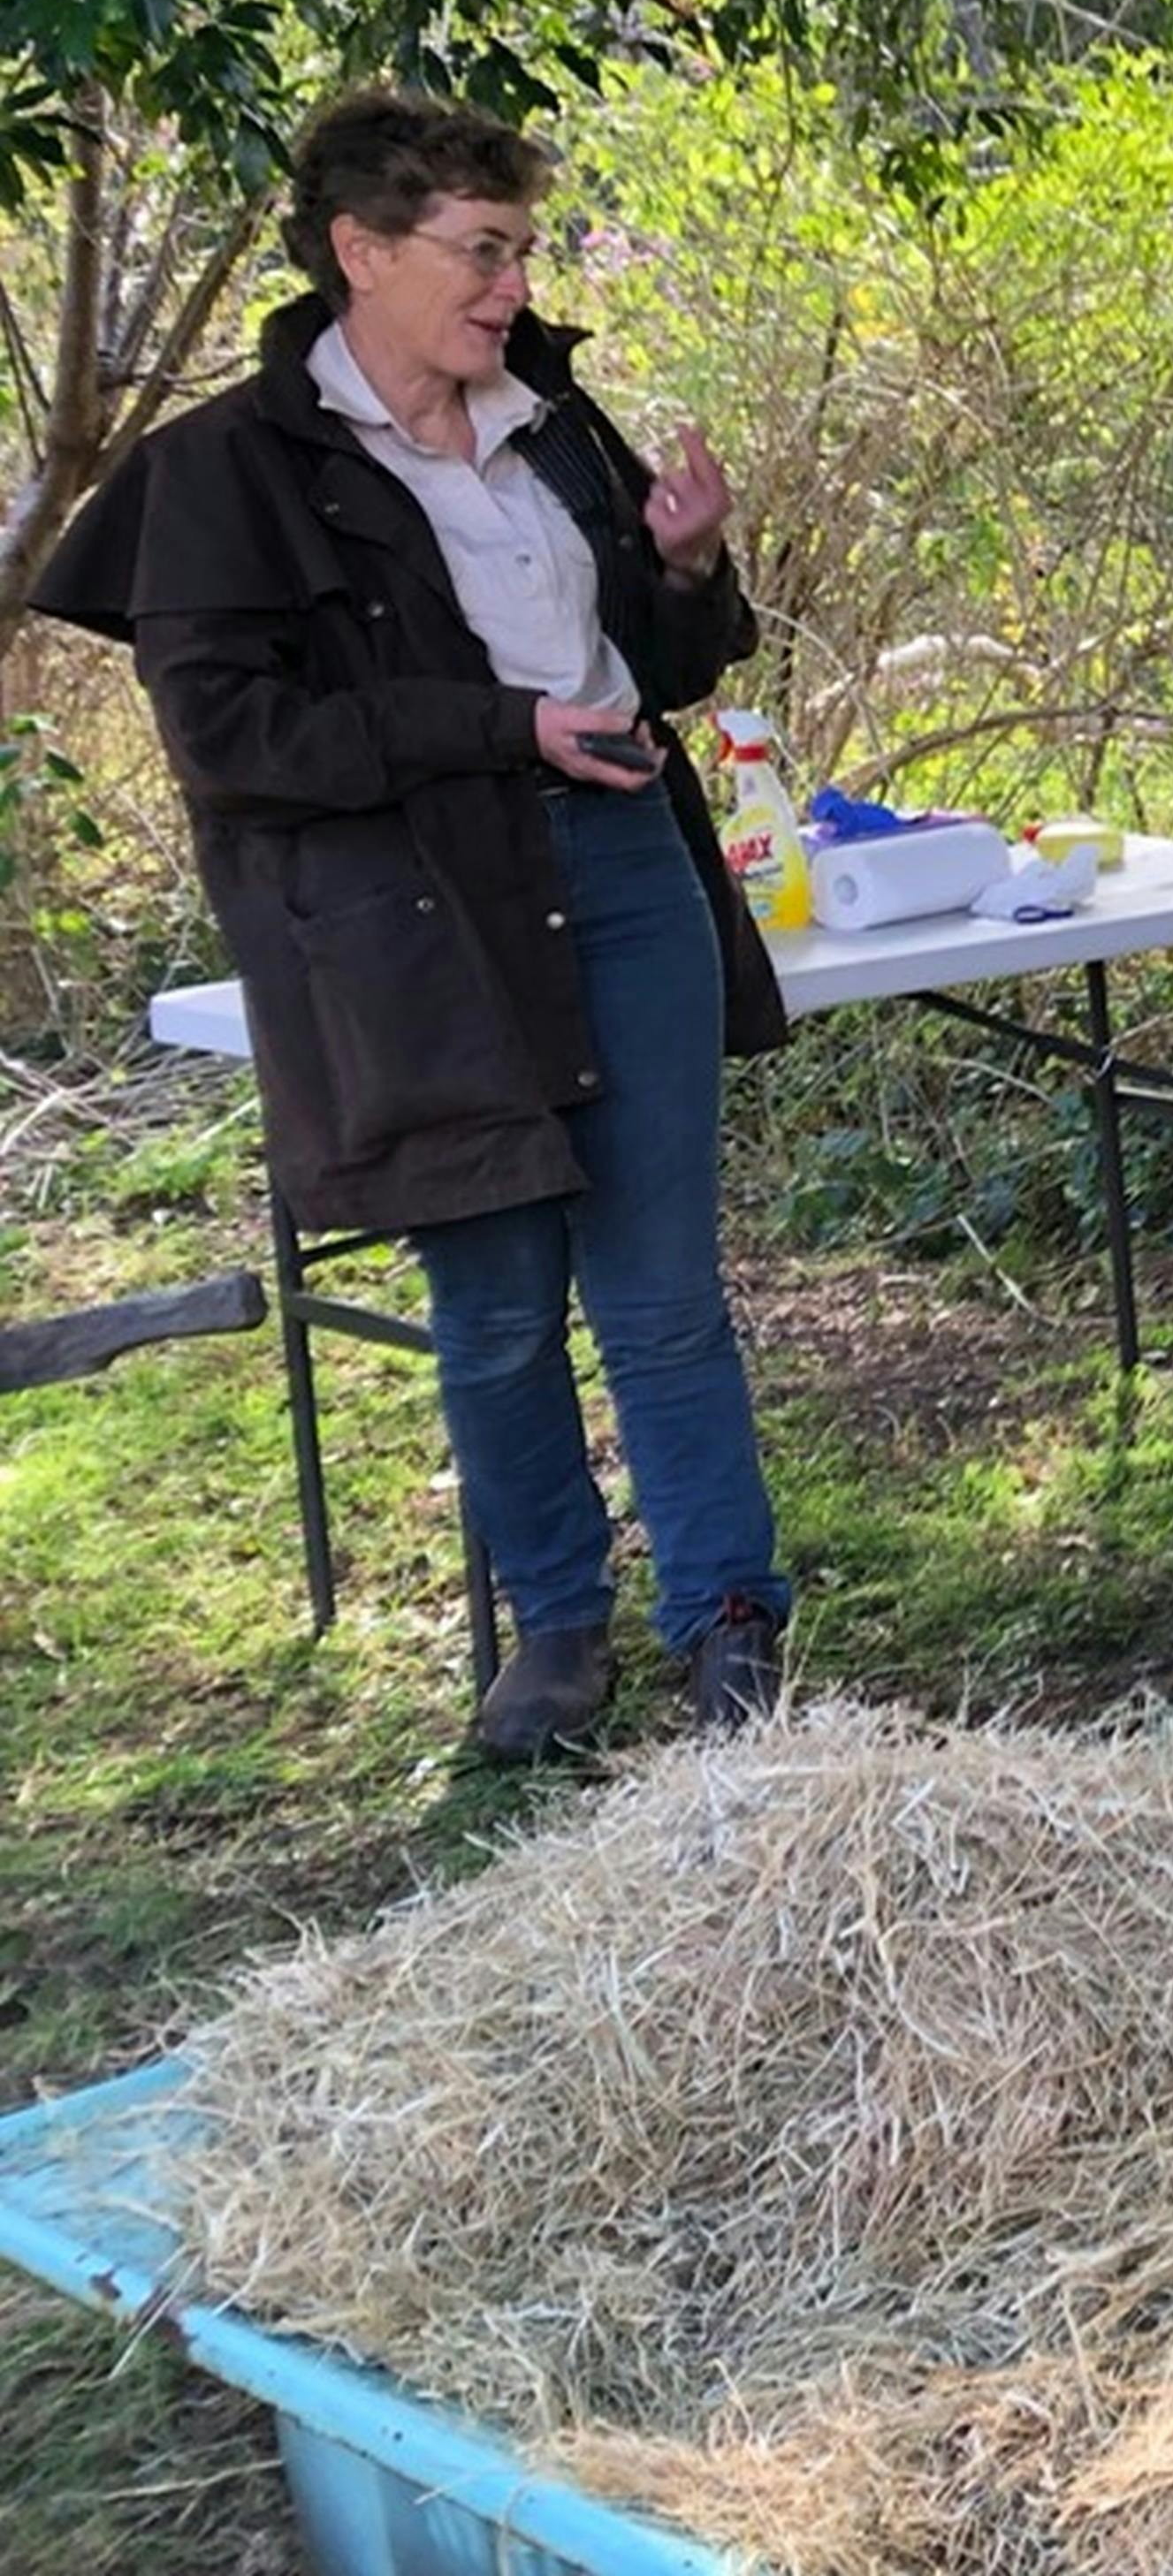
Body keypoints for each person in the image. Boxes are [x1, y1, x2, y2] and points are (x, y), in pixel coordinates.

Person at [31, 87, 795, 1760]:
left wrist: (682, 572)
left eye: (521, 247)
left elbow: (657, 682)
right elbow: (238, 746)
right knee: (502, 1303)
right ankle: (560, 1635)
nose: (514, 283)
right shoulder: (226, 473)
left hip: (624, 872)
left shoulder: (554, 420)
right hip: (417, 925)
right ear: (362, 251)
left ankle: (732, 1625)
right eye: (483, 249)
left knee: (661, 1291)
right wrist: (495, 728)